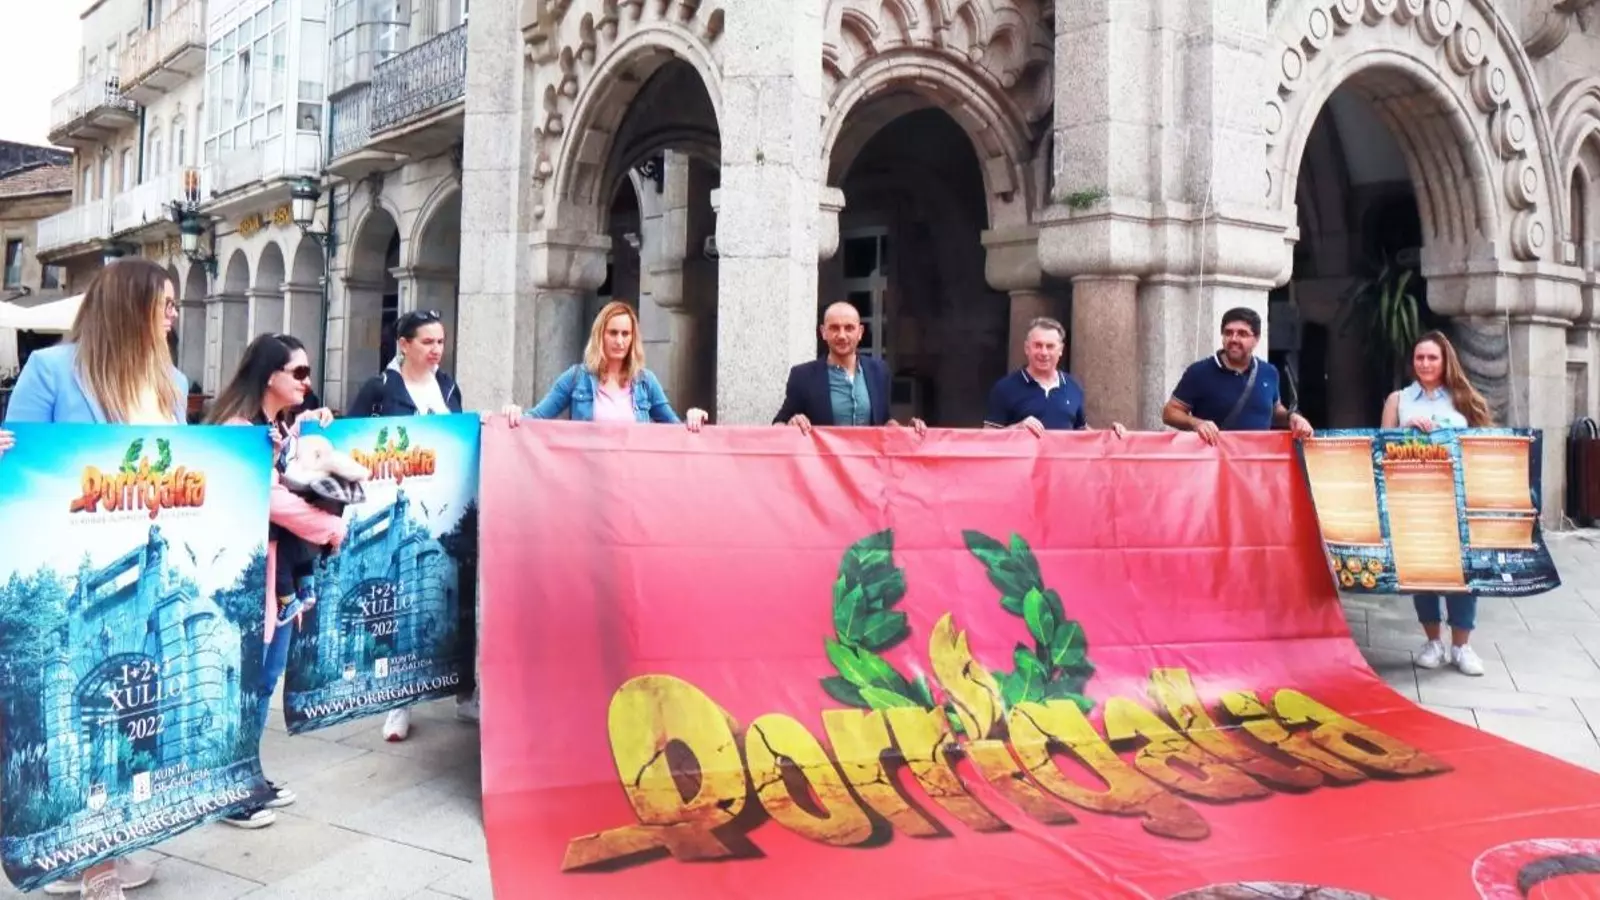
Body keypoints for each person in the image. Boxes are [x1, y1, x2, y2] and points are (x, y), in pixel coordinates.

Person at [0, 258, 182, 899]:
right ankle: (89, 866)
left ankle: (109, 844)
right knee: (73, 708)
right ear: (130, 306)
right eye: (164, 304)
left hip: (139, 551)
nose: (173, 317)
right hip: (67, 560)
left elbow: (187, 465)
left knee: (131, 705)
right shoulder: (52, 371)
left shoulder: (173, 382)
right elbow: (17, 460)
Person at [206, 333, 345, 829]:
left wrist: (310, 421)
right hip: (248, 574)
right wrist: (330, 527)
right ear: (270, 376)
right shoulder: (238, 430)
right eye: (299, 373)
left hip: (280, 572)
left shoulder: (277, 425)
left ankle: (246, 774)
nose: (307, 381)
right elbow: (270, 497)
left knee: (265, 678)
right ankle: (230, 787)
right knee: (249, 680)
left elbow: (289, 459)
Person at [346, 309, 478, 742]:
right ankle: (398, 702)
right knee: (400, 607)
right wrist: (326, 421)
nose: (436, 350)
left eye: (440, 341)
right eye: (427, 342)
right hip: (398, 508)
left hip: (447, 509)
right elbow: (350, 439)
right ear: (404, 344)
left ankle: (464, 690)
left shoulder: (449, 387)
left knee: (455, 603)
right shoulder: (380, 388)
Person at [1380, 330, 1494, 677]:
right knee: (1422, 570)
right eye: (1420, 357)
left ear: (1445, 361)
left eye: (1432, 357)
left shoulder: (1464, 398)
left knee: (1462, 572)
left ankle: (1462, 646)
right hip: (1413, 498)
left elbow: (1484, 445)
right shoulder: (1398, 400)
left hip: (1457, 498)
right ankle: (1433, 642)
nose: (1425, 363)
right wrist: (1405, 430)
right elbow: (1380, 447)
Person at [503, 300, 708, 429]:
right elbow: (536, 417)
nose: (620, 341)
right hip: (587, 477)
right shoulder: (576, 378)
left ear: (633, 338)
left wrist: (692, 418)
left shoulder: (646, 382)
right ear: (600, 335)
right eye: (613, 333)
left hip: (631, 477)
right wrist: (513, 414)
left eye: (625, 334)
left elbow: (675, 430)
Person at [1162, 307, 1315, 443]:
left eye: (1242, 334)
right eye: (1228, 333)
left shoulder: (1269, 372)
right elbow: (1170, 412)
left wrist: (1293, 417)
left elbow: (1274, 410)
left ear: (1256, 339)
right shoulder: (1199, 372)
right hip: (1214, 460)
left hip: (1258, 460)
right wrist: (1196, 423)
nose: (1234, 339)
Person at [774, 301, 926, 435]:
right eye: (834, 328)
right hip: (823, 459)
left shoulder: (879, 371)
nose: (842, 335)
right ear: (823, 332)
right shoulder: (803, 376)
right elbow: (778, 424)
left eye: (849, 328)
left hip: (869, 458)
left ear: (860, 332)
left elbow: (883, 421)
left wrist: (908, 432)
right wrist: (792, 423)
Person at [984, 316, 1127, 437]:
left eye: (1050, 346)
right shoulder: (1005, 388)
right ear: (1027, 348)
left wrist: (1110, 436)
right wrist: (1016, 429)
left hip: (1064, 463)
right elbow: (987, 438)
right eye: (1038, 345)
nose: (1044, 352)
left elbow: (1082, 433)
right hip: (1023, 463)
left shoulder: (1073, 386)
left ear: (1061, 350)